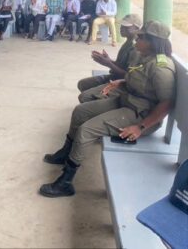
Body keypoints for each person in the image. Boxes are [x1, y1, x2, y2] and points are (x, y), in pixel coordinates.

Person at [39, 20, 176, 198]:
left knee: (85, 131)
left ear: (153, 41)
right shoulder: (144, 56)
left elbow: (166, 104)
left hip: (139, 115)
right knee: (80, 111)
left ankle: (65, 182)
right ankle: (66, 152)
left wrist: (140, 127)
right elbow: (140, 80)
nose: (136, 39)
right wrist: (122, 81)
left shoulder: (161, 68)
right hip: (127, 100)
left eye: (140, 37)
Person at [77, 14, 142, 103]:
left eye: (126, 27)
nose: (121, 28)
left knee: (84, 97)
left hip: (122, 83)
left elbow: (128, 75)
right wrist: (107, 60)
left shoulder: (136, 47)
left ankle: (107, 104)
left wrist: (108, 63)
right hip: (114, 76)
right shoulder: (128, 41)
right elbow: (120, 65)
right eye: (122, 25)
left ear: (137, 28)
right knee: (82, 84)